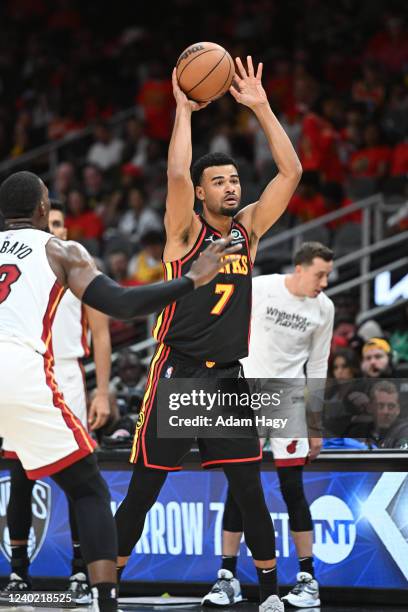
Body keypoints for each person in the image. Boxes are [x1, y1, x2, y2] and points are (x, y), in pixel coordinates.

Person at [0, 170, 238, 612]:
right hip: (16, 366)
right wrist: (193, 279)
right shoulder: (60, 249)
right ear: (40, 208)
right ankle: (104, 602)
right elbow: (124, 304)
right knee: (88, 488)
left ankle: (32, 575)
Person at [114, 56, 302, 612]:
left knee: (250, 489)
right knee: (145, 492)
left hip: (228, 382)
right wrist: (182, 110)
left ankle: (269, 592)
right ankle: (101, 586)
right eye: (217, 181)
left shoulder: (248, 230)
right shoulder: (185, 231)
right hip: (178, 375)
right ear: (199, 194)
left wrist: (262, 107)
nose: (229, 186)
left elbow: (290, 173)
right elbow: (175, 173)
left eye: (234, 180)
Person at [203, 242, 334, 609]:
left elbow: (319, 367)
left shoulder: (324, 309)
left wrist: (315, 423)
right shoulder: (261, 288)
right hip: (245, 396)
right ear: (299, 268)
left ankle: (308, 581)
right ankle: (227, 578)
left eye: (327, 275)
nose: (323, 282)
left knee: (292, 487)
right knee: (239, 486)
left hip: (289, 402)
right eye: (319, 274)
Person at [0, 200, 111, 603]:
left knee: (77, 479)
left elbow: (101, 333)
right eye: (54, 221)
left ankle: (81, 572)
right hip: (28, 370)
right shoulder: (32, 263)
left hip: (66, 371)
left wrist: (102, 388)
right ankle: (18, 572)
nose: (58, 229)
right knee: (20, 476)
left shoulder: (76, 263)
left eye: (64, 223)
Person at [348, 381, 408, 449]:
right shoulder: (359, 432)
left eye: (391, 406)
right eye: (380, 406)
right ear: (370, 408)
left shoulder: (404, 431)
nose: (386, 412)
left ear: (398, 410)